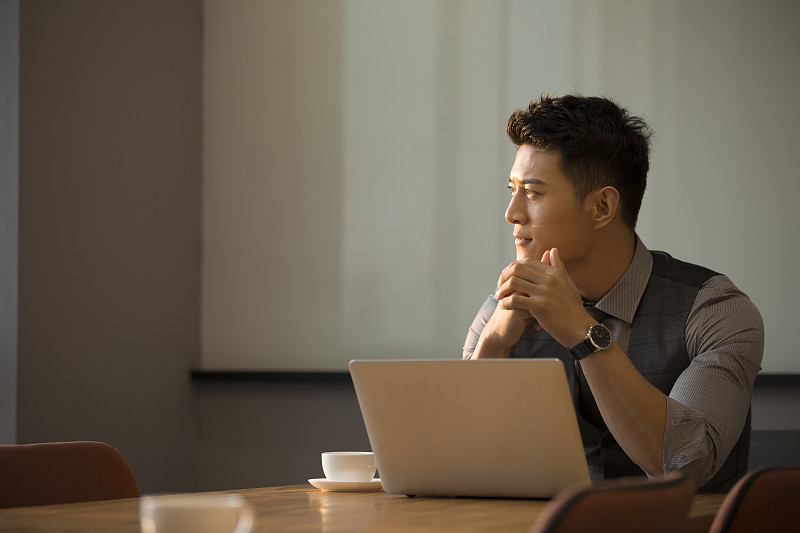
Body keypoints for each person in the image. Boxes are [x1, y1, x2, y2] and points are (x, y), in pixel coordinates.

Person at [462, 94, 763, 492]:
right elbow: (461, 462)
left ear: (602, 206)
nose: (512, 212)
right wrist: (494, 345)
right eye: (512, 189)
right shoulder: (500, 312)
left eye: (532, 193)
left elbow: (686, 464)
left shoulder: (716, 310)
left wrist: (583, 334)